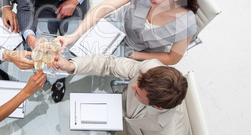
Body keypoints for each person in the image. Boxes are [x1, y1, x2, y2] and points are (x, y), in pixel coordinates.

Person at [58, 0, 199, 65]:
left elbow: (172, 58)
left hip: (137, 53)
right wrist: (74, 36)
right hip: (114, 26)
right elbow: (106, 7)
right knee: (72, 56)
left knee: (93, 70)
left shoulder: (185, 24)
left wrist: (138, 55)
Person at [53, 54, 189, 135]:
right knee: (66, 110)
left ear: (158, 107)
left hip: (127, 132)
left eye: (137, 92)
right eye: (138, 81)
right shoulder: (150, 68)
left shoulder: (171, 131)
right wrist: (72, 66)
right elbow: (109, 64)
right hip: (118, 106)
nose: (133, 86)